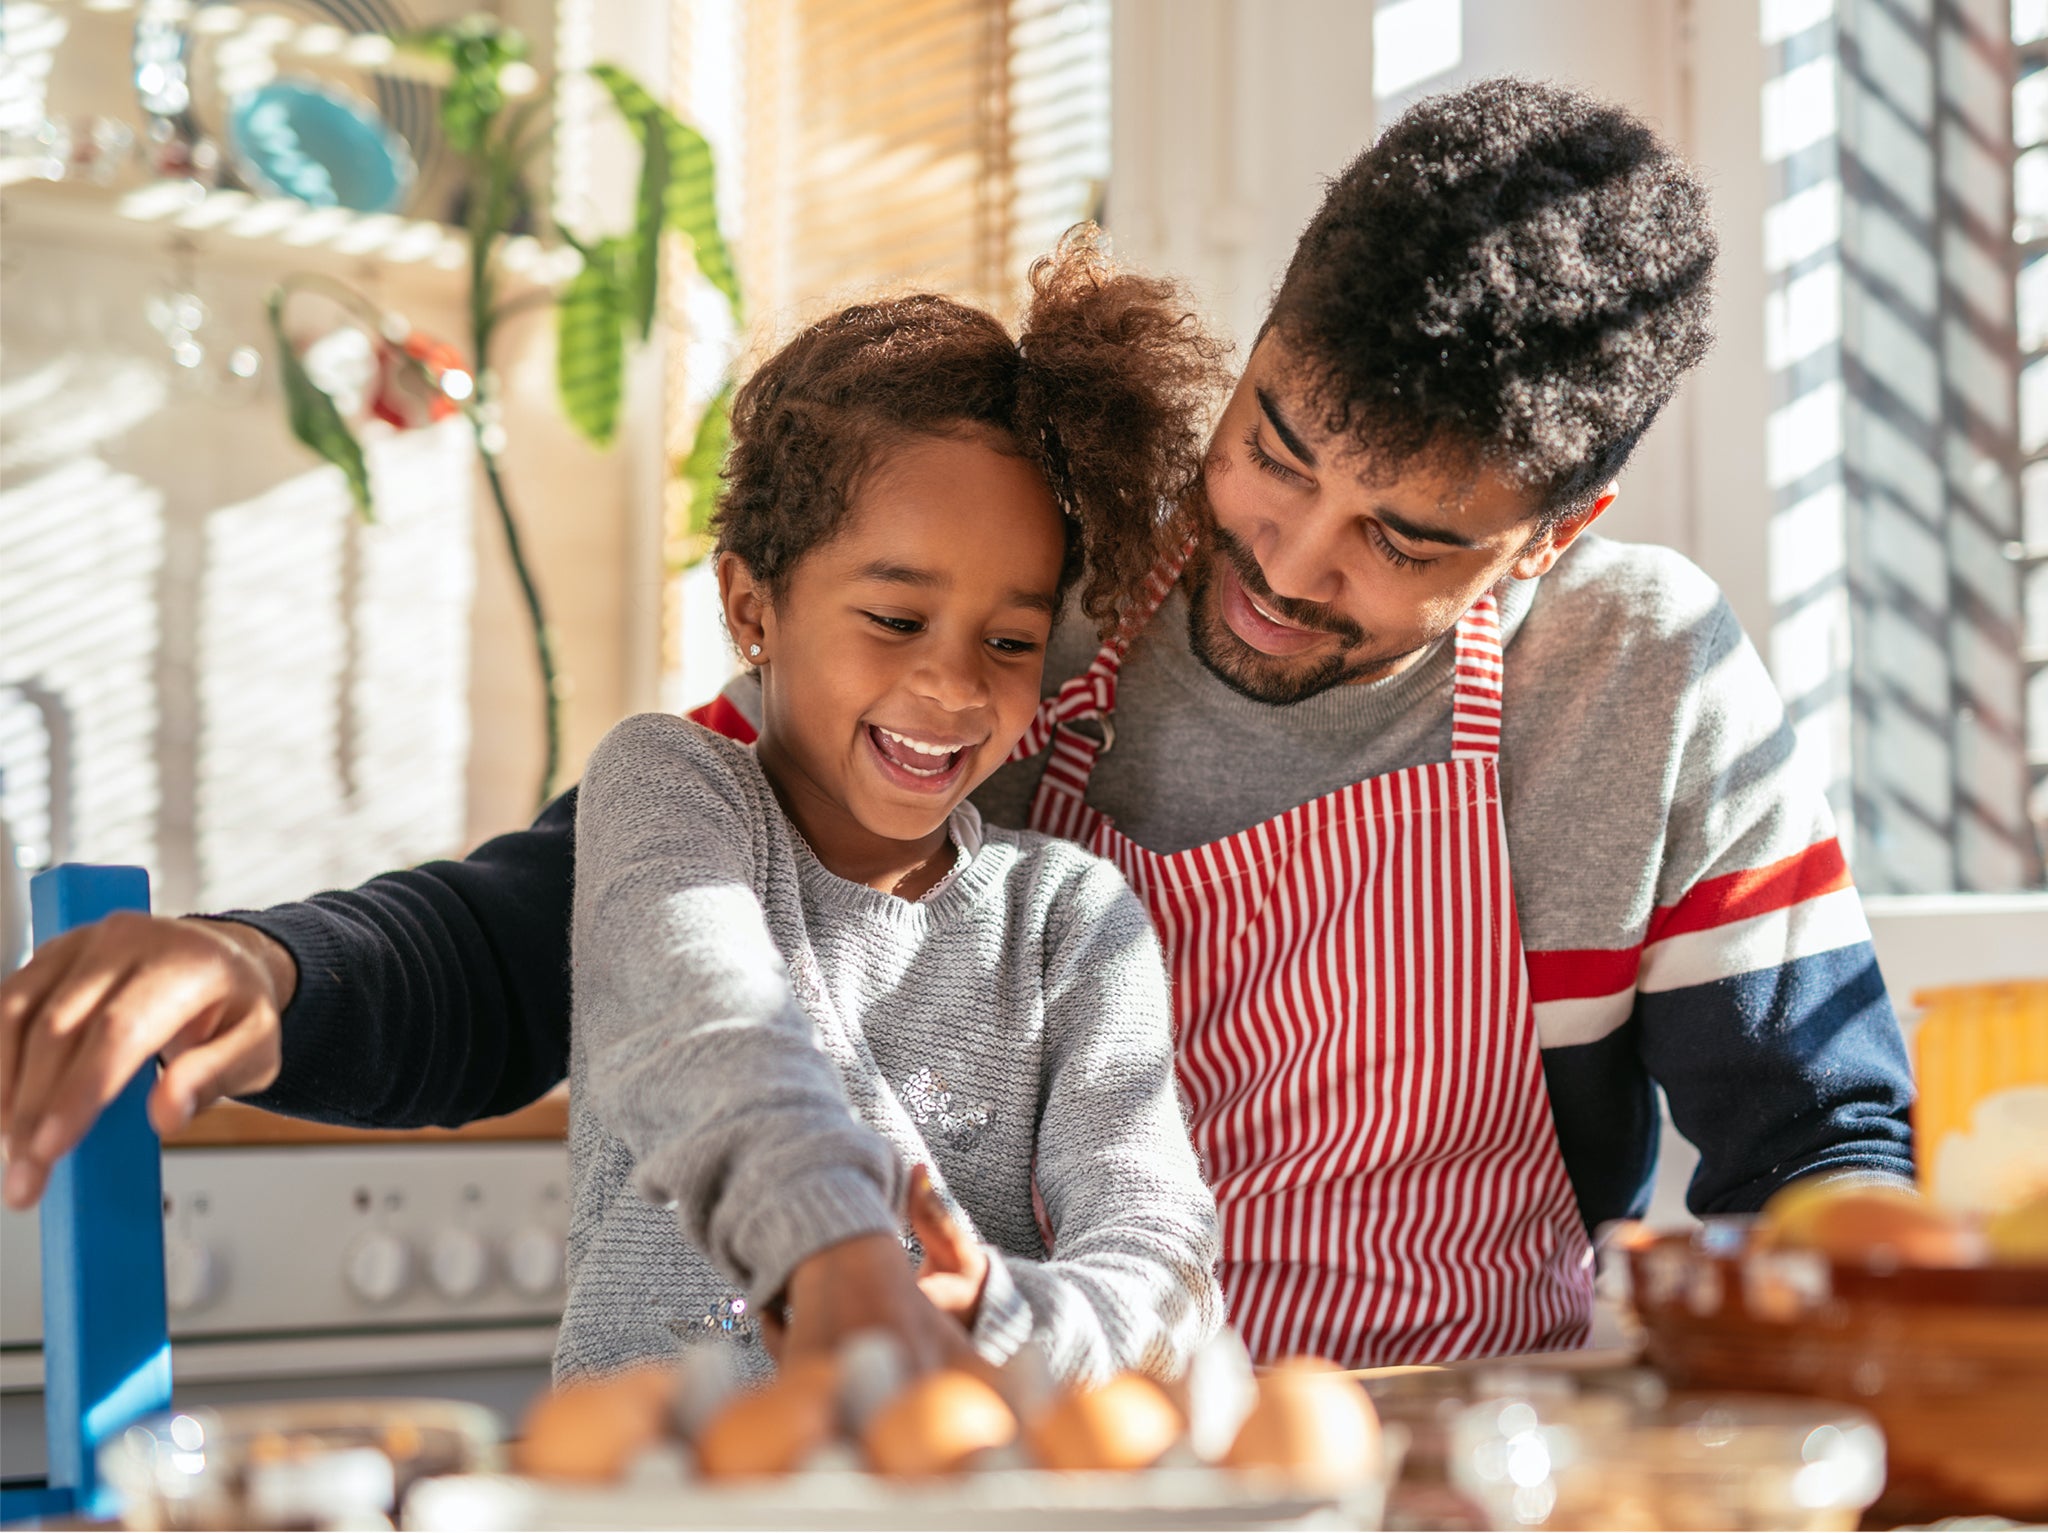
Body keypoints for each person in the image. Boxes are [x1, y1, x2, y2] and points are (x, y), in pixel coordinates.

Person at [0, 81, 1913, 1369]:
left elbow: (1818, 1132)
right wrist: (272, 967)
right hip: (1036, 1466)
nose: (1281, 559)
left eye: (1404, 539)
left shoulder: (1632, 679)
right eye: (1273, 445)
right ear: (1254, 352)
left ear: (1551, 532)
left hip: (1440, 1465)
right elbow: (605, 917)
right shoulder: (1030, 601)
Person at [558, 235, 1225, 1385]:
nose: (955, 687)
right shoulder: (669, 789)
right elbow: (706, 1023)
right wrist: (837, 1252)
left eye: (1009, 642)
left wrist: (997, 1316)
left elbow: (1159, 1256)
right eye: (894, 619)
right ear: (750, 606)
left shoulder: (1067, 919)